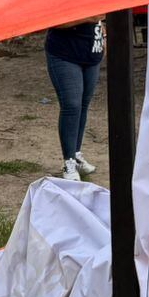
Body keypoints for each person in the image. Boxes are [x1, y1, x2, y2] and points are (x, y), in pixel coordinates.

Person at [46, 19, 104, 181]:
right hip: (64, 53)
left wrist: (102, 37)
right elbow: (54, 21)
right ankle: (69, 161)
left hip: (91, 52)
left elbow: (100, 18)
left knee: (83, 106)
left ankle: (76, 155)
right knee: (71, 105)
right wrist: (89, 17)